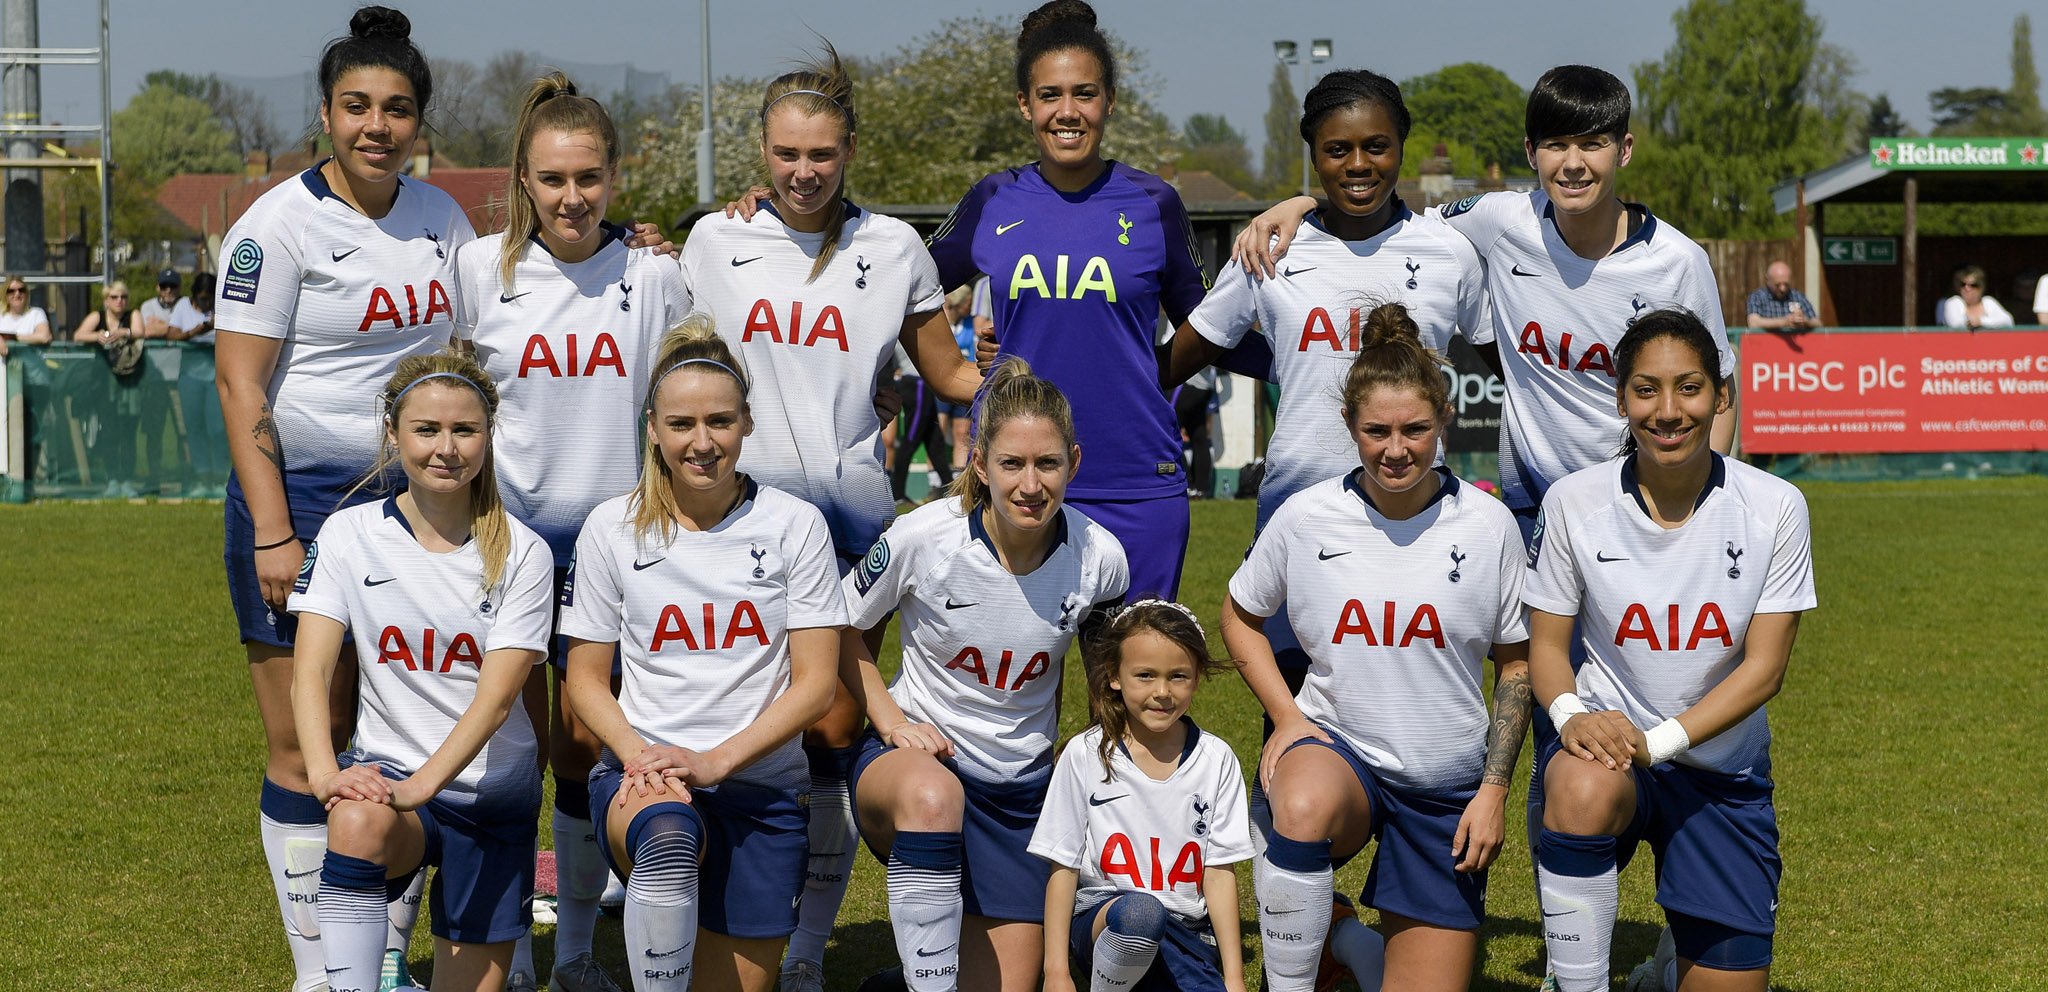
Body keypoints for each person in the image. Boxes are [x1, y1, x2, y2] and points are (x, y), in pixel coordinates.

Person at [684, 46, 980, 992]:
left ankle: (805, 951)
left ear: (850, 147)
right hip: (736, 527)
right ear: (761, 154)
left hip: (855, 524)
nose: (803, 171)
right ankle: (724, 921)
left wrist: (1050, 364)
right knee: (739, 722)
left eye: (821, 153)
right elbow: (679, 374)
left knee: (832, 732)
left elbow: (949, 373)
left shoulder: (895, 247)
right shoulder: (711, 242)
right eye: (785, 154)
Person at [211, 11, 471, 990]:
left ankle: (382, 955)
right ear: (325, 114)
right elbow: (241, 388)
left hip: (420, 504)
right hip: (304, 504)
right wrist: (277, 530)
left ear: (419, 121)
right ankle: (317, 969)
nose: (377, 125)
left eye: (397, 108)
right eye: (357, 106)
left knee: (398, 732)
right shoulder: (274, 226)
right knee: (298, 743)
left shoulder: (441, 216)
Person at [452, 70, 690, 992]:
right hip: (505, 548)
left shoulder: (654, 272)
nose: (571, 196)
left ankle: (580, 956)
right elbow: (446, 400)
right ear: (522, 178)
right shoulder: (478, 269)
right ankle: (506, 956)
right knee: (502, 749)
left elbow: (685, 397)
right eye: (552, 179)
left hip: (617, 551)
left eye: (588, 176)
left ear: (615, 177)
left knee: (586, 750)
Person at [1222, 303, 1532, 992]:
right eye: (1378, 431)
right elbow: (1239, 616)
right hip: (1342, 756)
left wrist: (1493, 790)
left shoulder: (1488, 526)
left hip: (1444, 786)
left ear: (1444, 422)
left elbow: (1517, 664)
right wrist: (1291, 719)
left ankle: (1348, 946)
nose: (1397, 449)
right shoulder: (1307, 517)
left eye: (1415, 430)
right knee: (1298, 804)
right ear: (1350, 429)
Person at [1177, 67, 1484, 733]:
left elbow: (1509, 364)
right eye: (1336, 149)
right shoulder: (1270, 248)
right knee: (1290, 713)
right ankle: (1284, 831)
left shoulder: (1448, 252)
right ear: (1312, 154)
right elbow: (1193, 348)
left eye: (1376, 145)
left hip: (1418, 521)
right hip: (1297, 515)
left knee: (1414, 715)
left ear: (1401, 145)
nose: (1358, 164)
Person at [924, 0, 1260, 600]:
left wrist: (1316, 359)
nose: (1068, 111)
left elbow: (1209, 323)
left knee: (1138, 682)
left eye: (1085, 93)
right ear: (1025, 105)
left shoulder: (1154, 203)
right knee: (1018, 688)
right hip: (1019, 479)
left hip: (1136, 476)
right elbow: (893, 279)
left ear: (1109, 100)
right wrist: (950, 374)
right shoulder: (994, 199)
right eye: (1050, 95)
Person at [1525, 308, 1814, 992]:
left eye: (1689, 388)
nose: (1669, 410)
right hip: (1610, 761)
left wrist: (1656, 743)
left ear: (1721, 396)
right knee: (1581, 783)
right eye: (1646, 389)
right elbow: (1544, 647)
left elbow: (1765, 668)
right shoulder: (1573, 502)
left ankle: (1659, 974)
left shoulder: (1775, 505)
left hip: (1721, 774)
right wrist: (1572, 717)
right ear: (1621, 399)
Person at [558, 316, 846, 992]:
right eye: (681, 423)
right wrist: (640, 757)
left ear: (747, 423)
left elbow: (816, 687)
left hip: (761, 789)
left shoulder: (794, 525)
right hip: (649, 784)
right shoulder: (612, 527)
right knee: (666, 837)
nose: (702, 442)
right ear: (652, 428)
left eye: (719, 421)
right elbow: (585, 680)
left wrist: (714, 761)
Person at [839, 358, 1130, 992]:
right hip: (919, 772)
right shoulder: (921, 537)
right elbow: (838, 629)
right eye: (1012, 464)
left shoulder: (1101, 558)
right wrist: (889, 721)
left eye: (1048, 464)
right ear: (980, 464)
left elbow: (1113, 682)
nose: (1031, 484)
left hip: (1021, 793)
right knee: (931, 798)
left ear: (1074, 464)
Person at [290, 353, 555, 992]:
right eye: (426, 430)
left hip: (491, 798)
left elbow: (495, 704)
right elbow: (312, 670)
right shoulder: (348, 534)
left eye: (464, 431)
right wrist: (329, 776)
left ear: (490, 437)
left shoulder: (526, 552)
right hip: (390, 786)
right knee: (354, 820)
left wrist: (421, 787)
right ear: (393, 434)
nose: (446, 449)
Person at [1030, 601, 1253, 992]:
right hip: (1105, 921)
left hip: (1186, 932)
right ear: (1115, 675)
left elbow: (1219, 874)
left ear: (1197, 677)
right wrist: (1056, 973)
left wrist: (1234, 979)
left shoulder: (1217, 759)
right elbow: (1062, 868)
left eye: (1178, 676)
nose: (1162, 692)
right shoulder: (1084, 755)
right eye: (1145, 675)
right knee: (1141, 912)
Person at [73, 280, 148, 496]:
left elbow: (140, 332)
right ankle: (112, 479)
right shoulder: (98, 316)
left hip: (129, 382)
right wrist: (96, 336)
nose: (119, 301)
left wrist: (123, 332)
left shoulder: (132, 314)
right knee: (109, 432)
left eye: (123, 297)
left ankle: (126, 479)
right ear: (106, 300)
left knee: (128, 431)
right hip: (104, 384)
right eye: (114, 297)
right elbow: (78, 335)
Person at [166, 273, 226, 496]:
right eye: (201, 299)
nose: (205, 303)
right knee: (194, 427)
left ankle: (220, 477)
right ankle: (201, 478)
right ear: (194, 296)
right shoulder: (183, 306)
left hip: (214, 376)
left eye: (209, 298)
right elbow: (171, 335)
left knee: (217, 428)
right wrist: (197, 331)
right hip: (190, 375)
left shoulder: (221, 307)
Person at [1743, 261, 1819, 331]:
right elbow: (1753, 323)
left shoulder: (1798, 296)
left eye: (1786, 284)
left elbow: (1817, 323)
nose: (1783, 288)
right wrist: (1784, 322)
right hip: (1766, 343)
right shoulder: (1757, 297)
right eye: (1777, 285)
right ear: (1768, 280)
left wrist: (1805, 321)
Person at [1936, 264, 2014, 330]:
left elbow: (2008, 321)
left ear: (1981, 287)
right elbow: (1955, 325)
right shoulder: (1953, 302)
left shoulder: (1988, 301)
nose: (1967, 288)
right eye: (1963, 284)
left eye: (1973, 285)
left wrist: (1981, 322)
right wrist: (1971, 323)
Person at [0, 275, 53, 347]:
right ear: (5, 295)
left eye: (21, 290)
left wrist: (12, 338)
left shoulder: (36, 313)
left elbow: (44, 337)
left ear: (27, 294)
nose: (17, 294)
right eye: (11, 291)